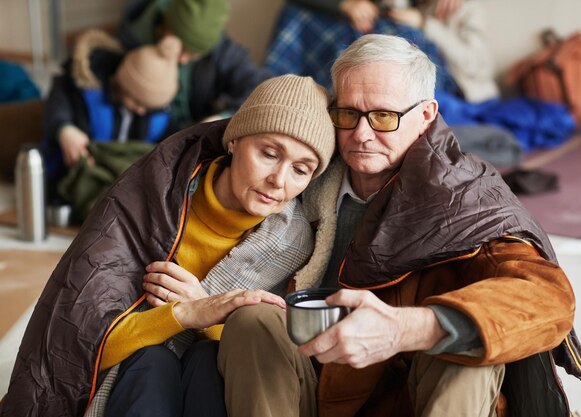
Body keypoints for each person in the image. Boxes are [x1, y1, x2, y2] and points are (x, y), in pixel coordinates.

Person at [217, 34, 581, 417]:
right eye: (348, 114)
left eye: (383, 116)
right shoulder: (305, 168)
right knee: (253, 321)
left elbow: (547, 299)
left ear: (427, 115)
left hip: (409, 394)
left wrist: (408, 328)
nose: (362, 134)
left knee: (463, 350)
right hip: (310, 381)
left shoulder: (465, 193)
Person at [0, 74, 336, 417]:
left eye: (301, 170)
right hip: (135, 376)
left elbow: (258, 362)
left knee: (207, 360)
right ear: (234, 140)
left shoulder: (291, 241)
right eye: (268, 154)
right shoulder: (155, 198)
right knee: (151, 359)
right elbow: (81, 346)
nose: (278, 181)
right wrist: (181, 315)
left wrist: (204, 312)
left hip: (213, 382)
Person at [42, 29, 182, 210]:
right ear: (122, 81)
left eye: (147, 108)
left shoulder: (160, 118)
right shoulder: (87, 88)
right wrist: (64, 129)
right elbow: (57, 104)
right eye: (136, 101)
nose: (140, 110)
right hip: (78, 168)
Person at [117, 0, 273, 130]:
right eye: (182, 48)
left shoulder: (220, 50)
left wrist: (222, 118)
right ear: (166, 25)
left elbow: (263, 87)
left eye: (194, 54)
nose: (183, 59)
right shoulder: (131, 41)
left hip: (194, 131)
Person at [264, 0, 458, 93]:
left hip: (393, 21)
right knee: (296, 16)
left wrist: (423, 20)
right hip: (336, 17)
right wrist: (343, 4)